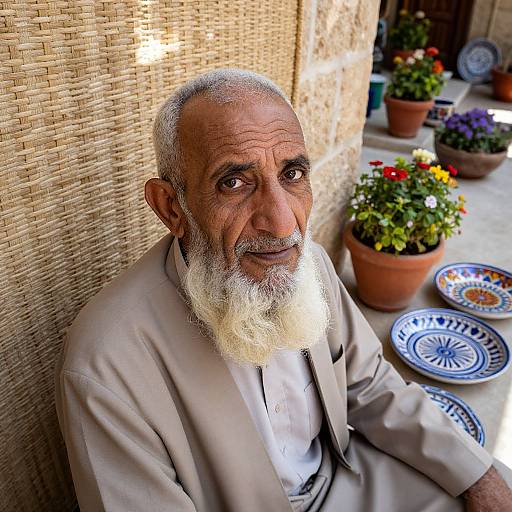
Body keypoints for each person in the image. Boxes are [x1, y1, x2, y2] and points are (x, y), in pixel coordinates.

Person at [55, 69, 512, 512]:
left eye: (292, 174)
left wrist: (477, 474)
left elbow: (370, 386)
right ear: (172, 207)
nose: (281, 222)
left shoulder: (305, 263)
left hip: (349, 478)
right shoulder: (105, 363)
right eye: (234, 182)